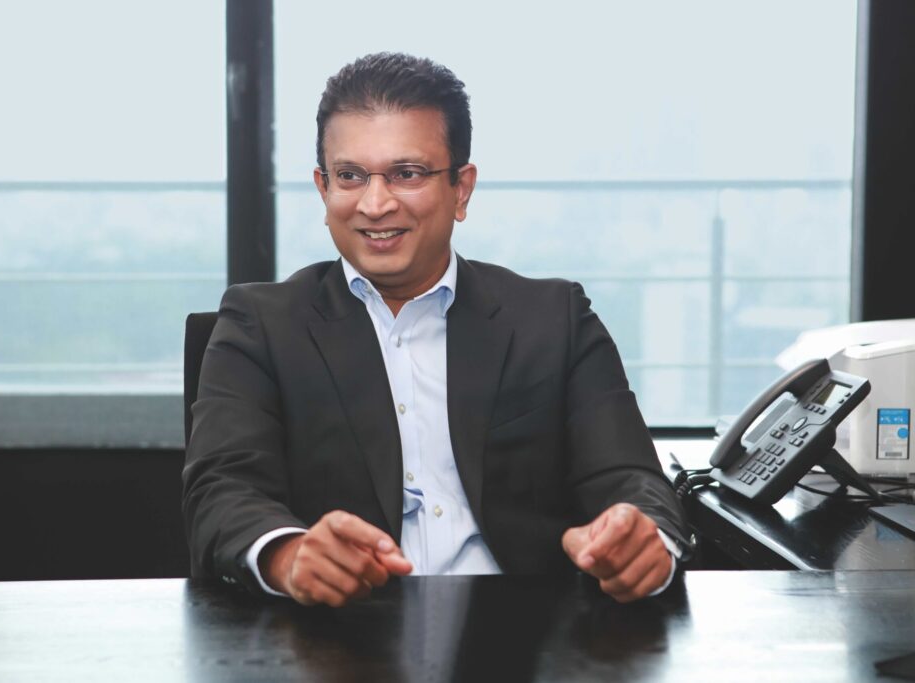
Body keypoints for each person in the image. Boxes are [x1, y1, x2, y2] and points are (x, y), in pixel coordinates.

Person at [183, 52, 693, 607]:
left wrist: (642, 542)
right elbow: (222, 490)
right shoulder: (259, 325)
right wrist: (290, 555)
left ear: (461, 189)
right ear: (323, 189)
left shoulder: (555, 318)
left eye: (407, 174)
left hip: (527, 631)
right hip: (337, 632)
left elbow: (631, 480)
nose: (375, 204)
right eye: (350, 176)